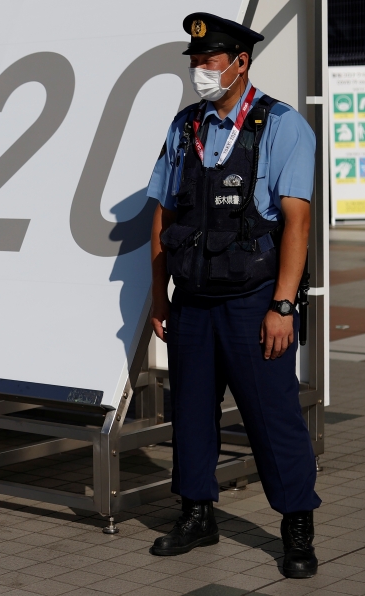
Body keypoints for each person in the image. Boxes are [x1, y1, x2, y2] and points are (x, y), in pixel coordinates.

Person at [146, 12, 320, 579]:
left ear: (241, 62)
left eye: (209, 61)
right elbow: (163, 213)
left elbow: (296, 223)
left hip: (254, 302)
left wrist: (283, 305)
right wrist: (160, 296)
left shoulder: (283, 126)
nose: (200, 70)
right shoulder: (184, 127)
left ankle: (297, 525)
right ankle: (197, 513)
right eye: (195, 61)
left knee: (273, 418)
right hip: (192, 298)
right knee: (192, 413)